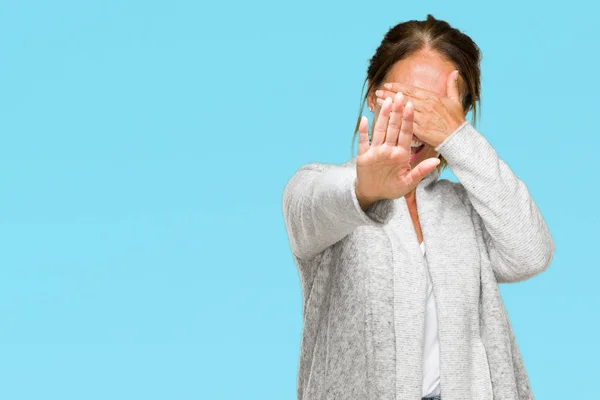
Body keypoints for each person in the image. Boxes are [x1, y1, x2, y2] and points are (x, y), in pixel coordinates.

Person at [282, 14, 555, 400]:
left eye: (435, 112)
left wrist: (459, 139)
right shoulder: (325, 190)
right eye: (405, 102)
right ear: (374, 95)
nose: (415, 124)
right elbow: (309, 209)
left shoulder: (465, 208)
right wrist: (365, 189)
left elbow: (532, 252)